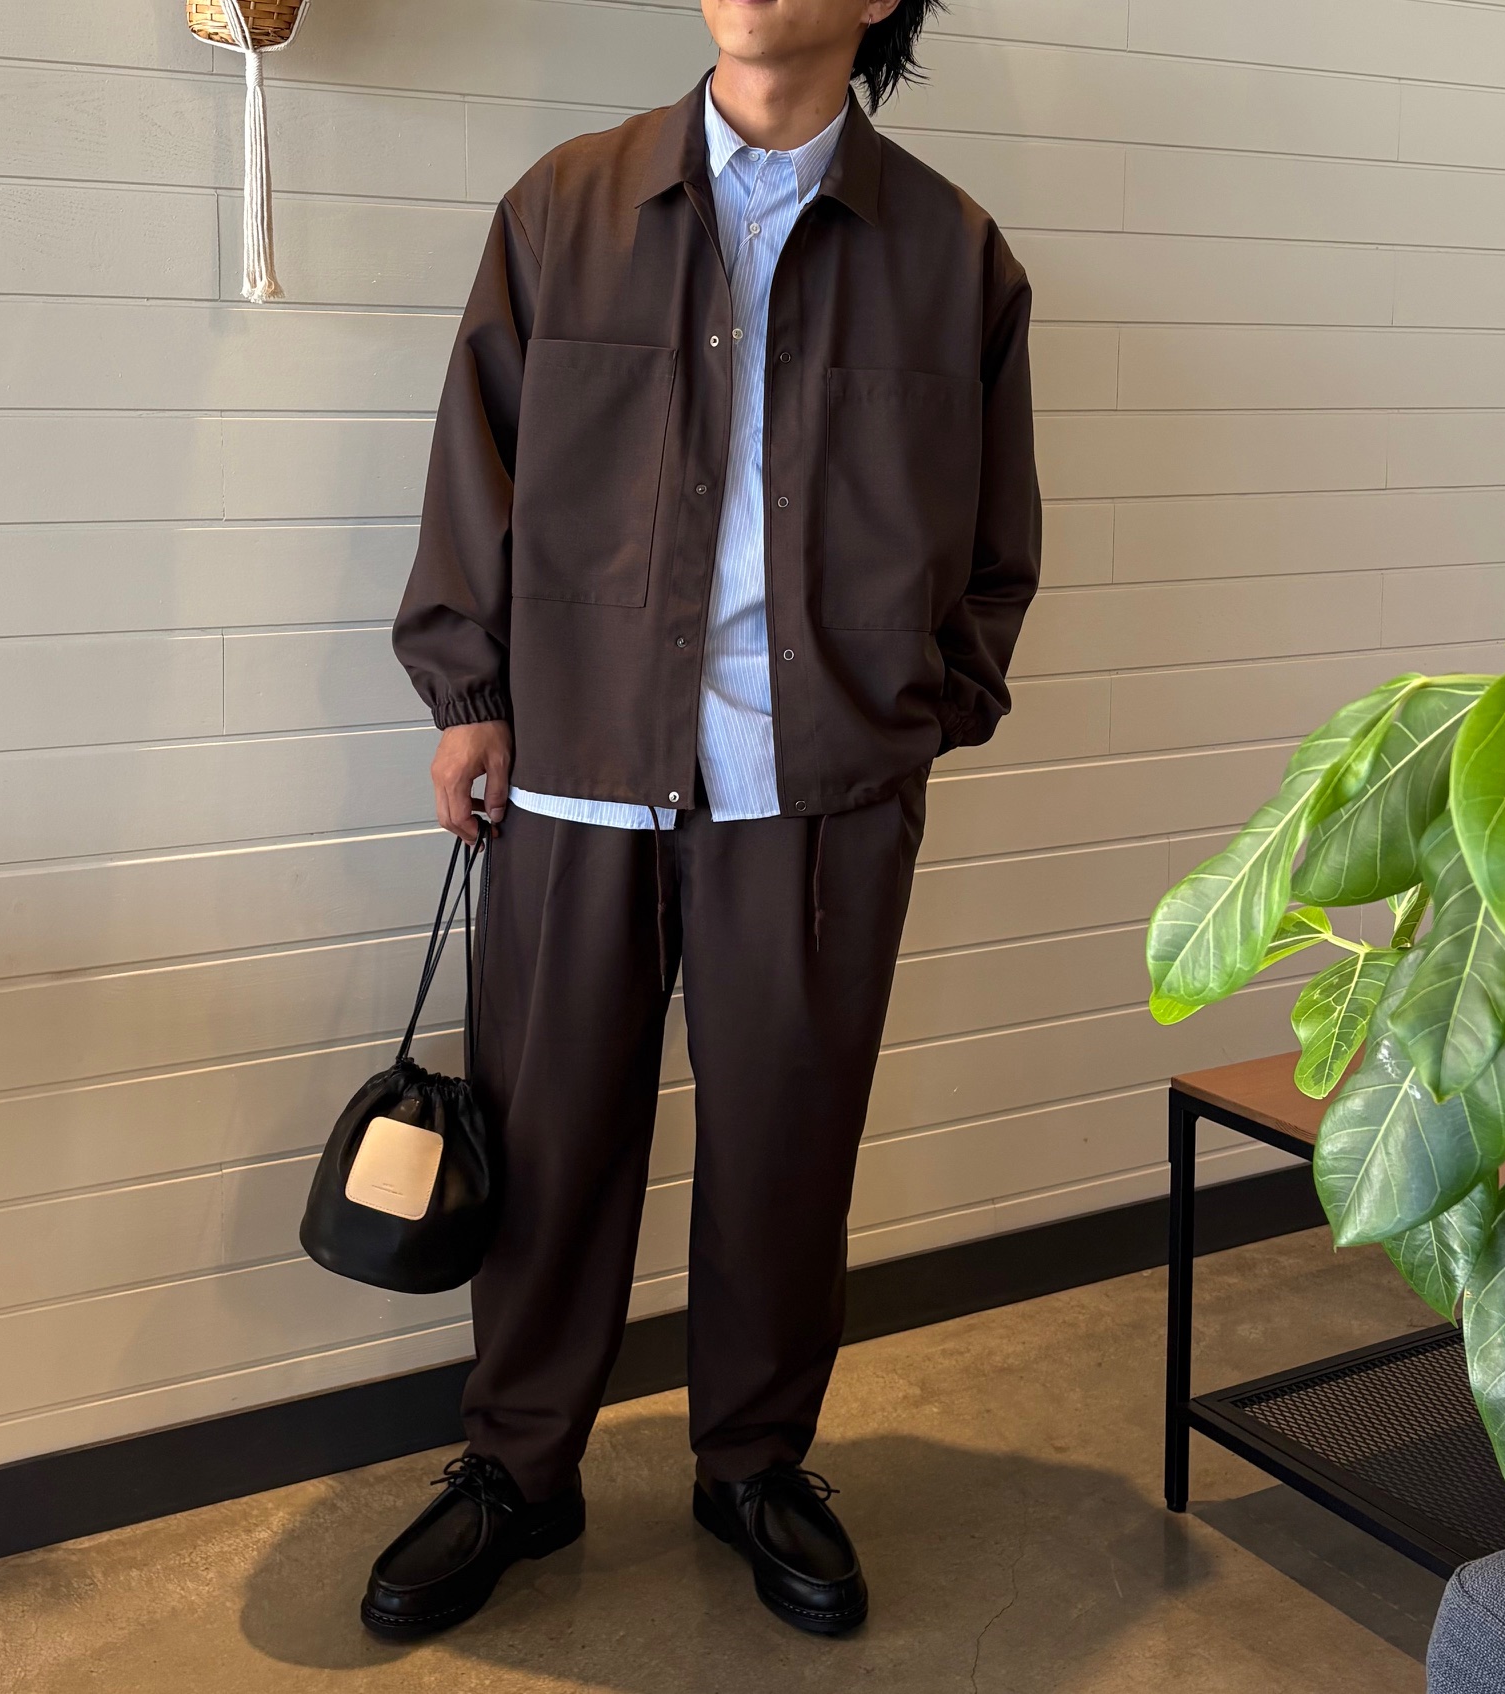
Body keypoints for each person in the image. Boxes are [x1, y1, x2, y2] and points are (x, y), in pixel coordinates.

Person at [368, 0, 1039, 1641]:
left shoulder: (950, 254)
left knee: (785, 1148)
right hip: (577, 769)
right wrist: (468, 691)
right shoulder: (565, 207)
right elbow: (476, 458)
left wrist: (916, 716)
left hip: (815, 793)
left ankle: (752, 1461)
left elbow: (994, 537)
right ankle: (519, 1465)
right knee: (545, 1135)